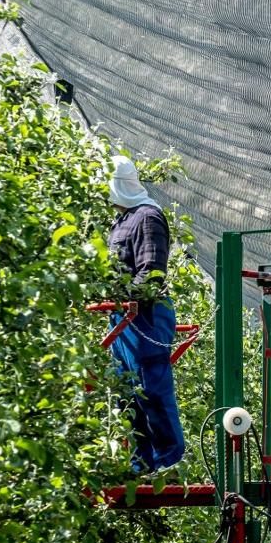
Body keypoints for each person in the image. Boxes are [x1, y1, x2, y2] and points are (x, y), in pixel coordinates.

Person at [105, 155, 185, 472]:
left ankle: (170, 458)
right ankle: (140, 463)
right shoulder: (121, 220)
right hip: (122, 316)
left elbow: (151, 273)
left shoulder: (148, 217)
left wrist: (126, 299)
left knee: (151, 385)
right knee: (126, 389)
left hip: (145, 313)